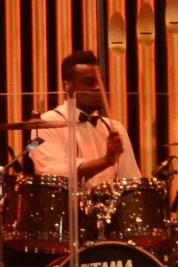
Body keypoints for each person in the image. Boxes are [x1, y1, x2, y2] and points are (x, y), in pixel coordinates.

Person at [28, 49, 140, 185]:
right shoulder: (45, 124)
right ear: (67, 86)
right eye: (89, 82)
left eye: (100, 81)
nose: (99, 87)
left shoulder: (115, 128)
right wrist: (106, 161)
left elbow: (131, 181)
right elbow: (53, 174)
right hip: (66, 206)